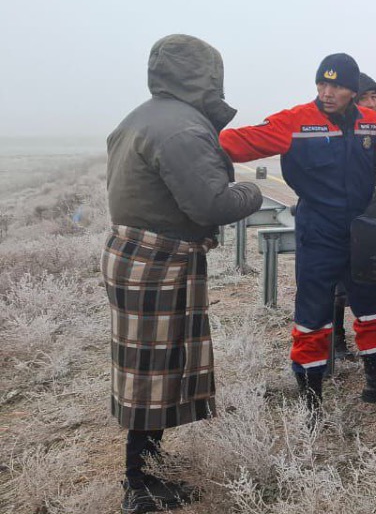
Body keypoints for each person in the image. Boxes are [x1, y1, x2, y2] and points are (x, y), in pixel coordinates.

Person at [105, 34, 264, 513]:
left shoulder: (142, 116)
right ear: (204, 75)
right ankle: (141, 484)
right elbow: (210, 203)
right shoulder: (182, 129)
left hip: (136, 254)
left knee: (148, 368)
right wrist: (252, 193)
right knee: (153, 371)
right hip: (160, 263)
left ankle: (149, 468)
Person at [219, 54, 376, 411]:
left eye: (337, 86)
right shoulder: (294, 121)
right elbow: (239, 142)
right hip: (319, 229)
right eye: (322, 84)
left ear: (352, 90)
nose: (327, 92)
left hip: (361, 230)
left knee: (375, 309)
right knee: (313, 314)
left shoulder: (370, 122)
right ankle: (311, 398)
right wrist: (195, 140)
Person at [328, 70, 376, 361]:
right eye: (366, 96)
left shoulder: (374, 129)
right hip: (333, 214)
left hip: (363, 212)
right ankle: (336, 339)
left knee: (360, 277)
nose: (372, 102)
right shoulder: (335, 127)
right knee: (336, 279)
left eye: (375, 96)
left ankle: (369, 351)